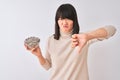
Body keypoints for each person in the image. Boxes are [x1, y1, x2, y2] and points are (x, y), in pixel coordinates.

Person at [25, 3, 116, 80]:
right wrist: (39, 55)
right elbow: (48, 66)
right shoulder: (51, 40)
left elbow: (112, 29)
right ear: (57, 21)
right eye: (60, 19)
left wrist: (88, 36)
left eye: (68, 18)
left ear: (74, 20)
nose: (64, 22)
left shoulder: (82, 38)